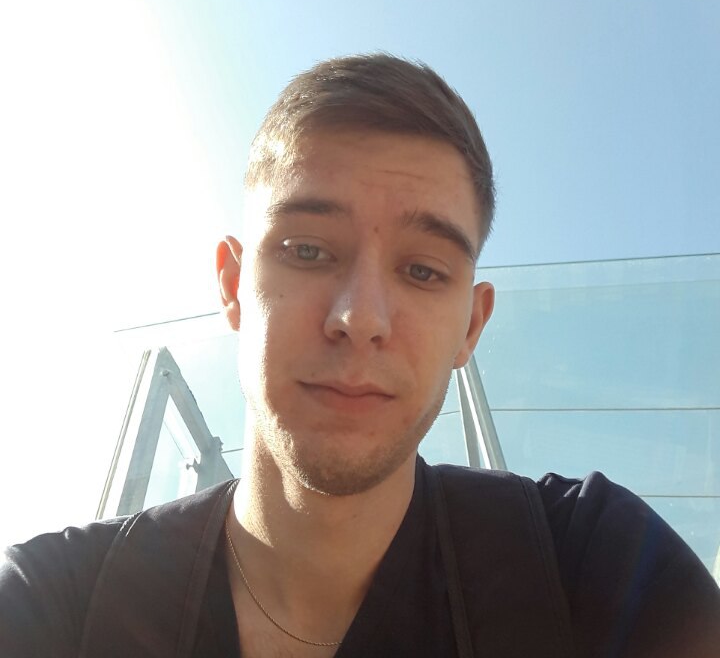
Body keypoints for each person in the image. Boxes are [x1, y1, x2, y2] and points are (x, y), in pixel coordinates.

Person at [1, 54, 718, 658]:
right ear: (233, 285)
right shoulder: (55, 604)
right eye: (308, 251)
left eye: (423, 270)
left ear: (471, 326)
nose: (361, 319)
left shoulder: (593, 566)